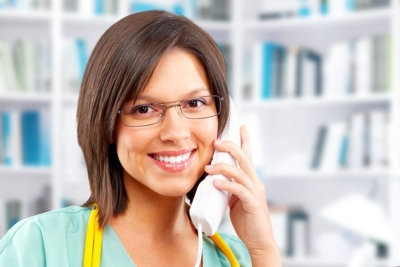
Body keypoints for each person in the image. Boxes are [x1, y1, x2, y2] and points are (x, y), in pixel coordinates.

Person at [0, 10, 281, 266]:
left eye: (194, 103)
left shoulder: (239, 258)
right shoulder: (38, 247)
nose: (176, 133)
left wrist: (263, 252)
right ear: (106, 124)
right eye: (144, 109)